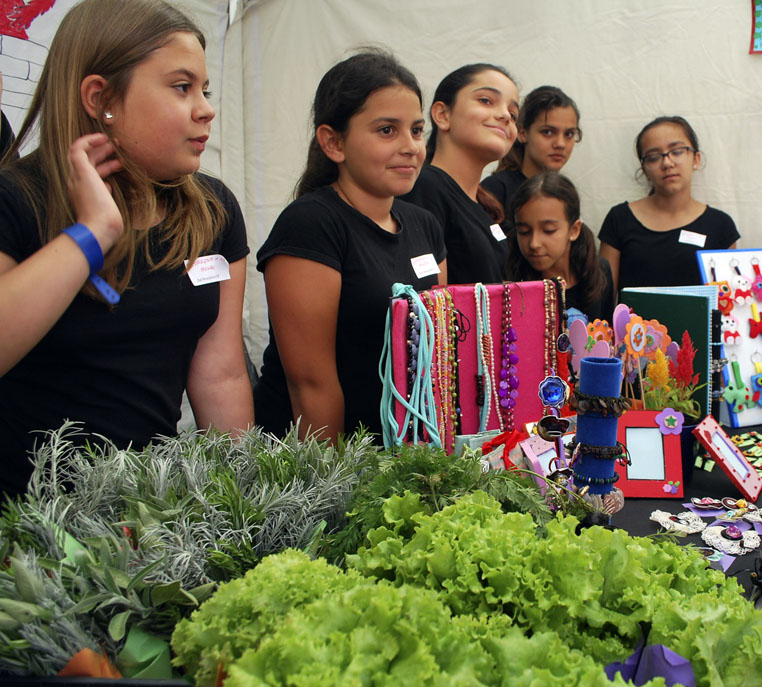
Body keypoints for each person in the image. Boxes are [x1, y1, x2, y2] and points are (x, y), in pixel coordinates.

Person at [0, 0, 252, 496]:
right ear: (101, 97)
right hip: (29, 528)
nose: (206, 108)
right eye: (182, 88)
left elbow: (220, 375)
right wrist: (92, 232)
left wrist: (245, 499)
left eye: (205, 89)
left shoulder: (212, 209)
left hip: (147, 519)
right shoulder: (17, 199)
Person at [253, 51, 447, 444]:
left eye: (415, 129)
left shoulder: (424, 224)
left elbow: (435, 352)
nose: (411, 146)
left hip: (403, 454)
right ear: (333, 142)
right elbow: (310, 385)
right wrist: (334, 489)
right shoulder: (311, 225)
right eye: (387, 130)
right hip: (327, 464)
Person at [401, 63, 518, 285]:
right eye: (486, 100)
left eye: (513, 114)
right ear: (442, 114)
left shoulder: (484, 205)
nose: (505, 116)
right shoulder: (425, 186)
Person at [599, 116, 739, 290]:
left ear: (696, 159)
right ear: (645, 170)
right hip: (634, 319)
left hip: (697, 318)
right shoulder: (619, 218)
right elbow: (603, 298)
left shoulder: (720, 225)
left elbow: (729, 301)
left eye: (677, 151)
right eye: (653, 157)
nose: (667, 162)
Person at [507, 171, 614, 324]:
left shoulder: (599, 272)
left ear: (574, 230)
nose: (534, 243)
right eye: (524, 231)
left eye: (549, 230)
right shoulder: (512, 282)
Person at [482, 85, 581, 232]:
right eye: (547, 132)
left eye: (569, 134)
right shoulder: (496, 189)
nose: (560, 144)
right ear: (522, 133)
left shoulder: (565, 192)